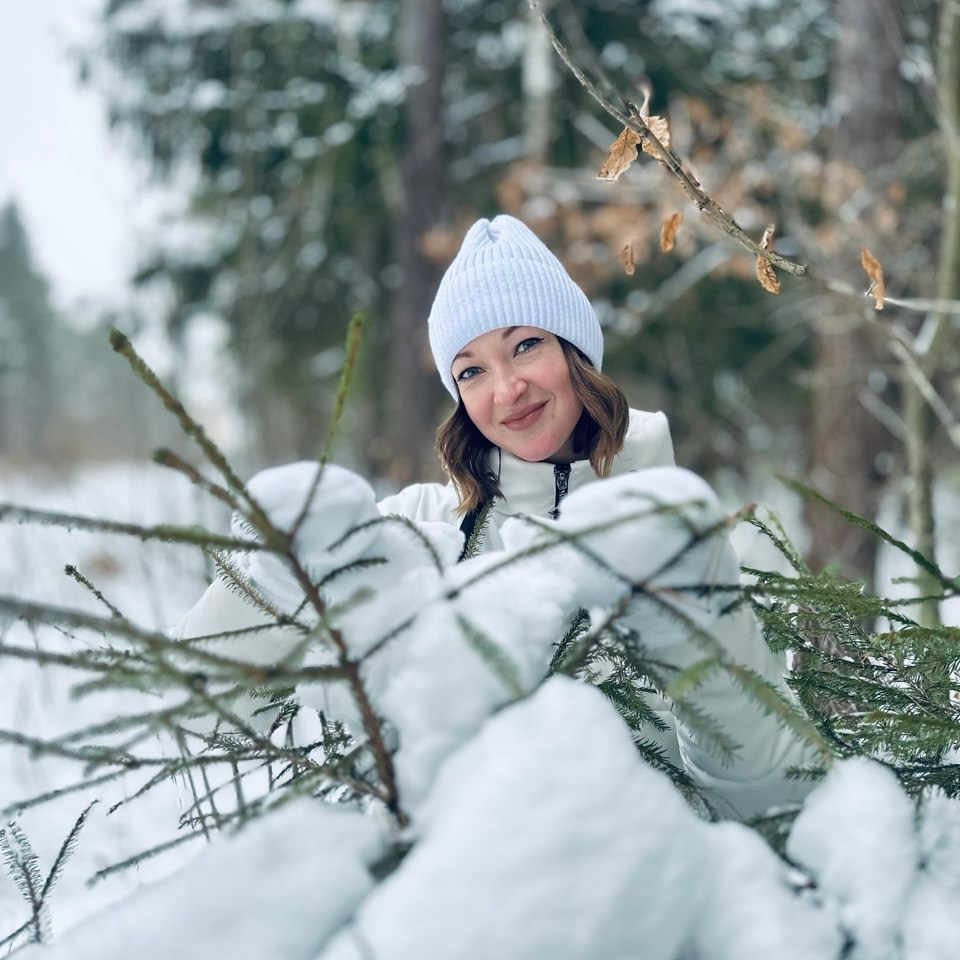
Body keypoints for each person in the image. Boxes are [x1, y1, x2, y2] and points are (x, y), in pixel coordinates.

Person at [175, 214, 816, 819]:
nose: (506, 389)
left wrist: (692, 616)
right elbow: (198, 711)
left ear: (575, 351)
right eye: (472, 370)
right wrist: (271, 584)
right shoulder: (410, 531)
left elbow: (776, 800)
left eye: (526, 345)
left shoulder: (722, 538)